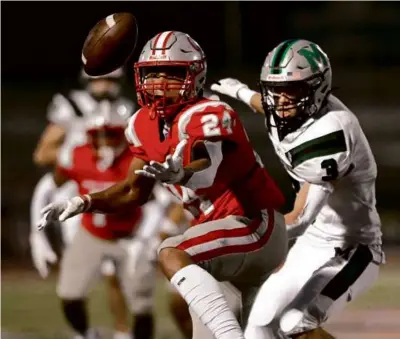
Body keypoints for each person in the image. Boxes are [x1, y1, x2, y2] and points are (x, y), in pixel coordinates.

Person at [37, 31, 288, 339]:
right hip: (219, 240)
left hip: (253, 222)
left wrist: (180, 173)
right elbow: (132, 189)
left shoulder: (209, 111)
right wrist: (85, 202)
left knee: (171, 251)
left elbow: (206, 168)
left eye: (172, 73)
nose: (159, 82)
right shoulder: (140, 125)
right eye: (152, 73)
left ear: (195, 76)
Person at [211, 39, 385, 339]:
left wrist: (248, 238)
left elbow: (301, 216)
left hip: (354, 248)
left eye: (291, 90)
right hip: (314, 239)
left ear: (317, 88)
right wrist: (239, 91)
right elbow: (266, 106)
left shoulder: (331, 131)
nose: (280, 100)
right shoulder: (289, 111)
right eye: (274, 89)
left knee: (295, 323)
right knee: (259, 327)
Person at [30, 68, 136, 339]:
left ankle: (123, 331)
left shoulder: (125, 108)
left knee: (114, 271)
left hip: (111, 192)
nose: (105, 85)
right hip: (75, 193)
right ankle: (84, 331)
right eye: (100, 78)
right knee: (81, 272)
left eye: (111, 79)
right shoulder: (72, 106)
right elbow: (42, 154)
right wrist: (83, 144)